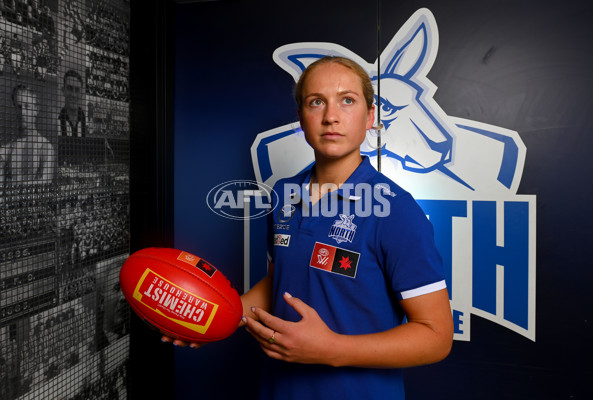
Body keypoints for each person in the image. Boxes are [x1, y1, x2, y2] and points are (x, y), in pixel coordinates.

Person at [164, 56, 454, 399]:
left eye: (348, 100)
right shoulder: (285, 195)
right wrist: (213, 319)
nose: (331, 116)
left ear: (370, 117)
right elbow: (280, 282)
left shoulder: (395, 210)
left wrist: (332, 349)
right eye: (316, 102)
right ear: (301, 118)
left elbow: (436, 336)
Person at [1, 84, 55, 186]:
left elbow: (45, 182)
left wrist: (10, 184)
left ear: (35, 109)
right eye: (19, 107)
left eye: (27, 106)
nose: (23, 112)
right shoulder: (7, 148)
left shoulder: (45, 147)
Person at [58, 70, 86, 137]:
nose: (73, 94)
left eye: (77, 90)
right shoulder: (58, 121)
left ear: (81, 94)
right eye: (70, 88)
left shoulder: (85, 120)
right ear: (63, 91)